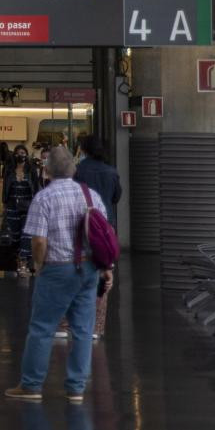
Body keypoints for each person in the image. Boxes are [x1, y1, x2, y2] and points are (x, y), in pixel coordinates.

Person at [7, 146, 108, 403]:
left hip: (57, 268)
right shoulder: (91, 196)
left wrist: (39, 266)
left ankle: (31, 386)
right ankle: (76, 388)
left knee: (42, 327)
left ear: (47, 170)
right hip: (88, 269)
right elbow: (103, 236)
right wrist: (107, 268)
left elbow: (38, 241)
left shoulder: (44, 197)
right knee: (83, 330)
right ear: (73, 169)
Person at [76, 136, 124, 338]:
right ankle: (96, 324)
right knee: (103, 269)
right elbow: (116, 197)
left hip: (82, 224)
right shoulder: (111, 171)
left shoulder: (78, 171)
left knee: (83, 266)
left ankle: (78, 320)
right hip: (105, 226)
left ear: (83, 150)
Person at [3, 144, 40, 275]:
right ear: (14, 155)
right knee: (15, 236)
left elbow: (36, 187)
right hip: (12, 205)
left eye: (23, 152)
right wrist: (5, 204)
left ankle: (24, 263)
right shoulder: (9, 170)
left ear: (27, 154)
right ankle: (19, 259)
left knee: (26, 234)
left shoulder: (31, 170)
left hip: (28, 206)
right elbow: (5, 188)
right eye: (18, 152)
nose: (21, 155)